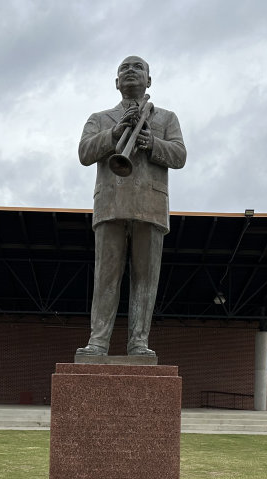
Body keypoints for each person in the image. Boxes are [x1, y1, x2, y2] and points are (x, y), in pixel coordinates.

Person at [76, 56, 186, 357]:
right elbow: (84, 153)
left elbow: (179, 156)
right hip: (110, 204)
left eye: (138, 68)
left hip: (150, 205)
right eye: (124, 68)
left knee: (145, 281)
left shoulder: (165, 118)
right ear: (116, 83)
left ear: (149, 80)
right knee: (105, 278)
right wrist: (114, 135)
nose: (130, 71)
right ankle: (98, 341)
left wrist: (152, 143)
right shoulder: (100, 118)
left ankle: (139, 341)